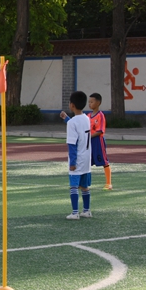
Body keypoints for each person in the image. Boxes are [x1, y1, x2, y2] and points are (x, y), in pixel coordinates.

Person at [61, 91, 93, 219]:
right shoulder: (87, 118)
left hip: (78, 159)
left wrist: (72, 162)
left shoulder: (72, 123)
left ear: (72, 105)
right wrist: (67, 119)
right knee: (85, 186)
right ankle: (86, 210)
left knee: (74, 186)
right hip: (86, 159)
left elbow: (72, 144)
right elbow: (78, 128)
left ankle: (75, 212)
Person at [86, 92, 112, 191]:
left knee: (104, 161)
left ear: (98, 103)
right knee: (86, 162)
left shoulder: (100, 115)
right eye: (89, 102)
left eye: (92, 102)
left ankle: (108, 183)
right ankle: (84, 183)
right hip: (89, 142)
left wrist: (89, 136)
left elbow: (100, 131)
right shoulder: (88, 115)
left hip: (98, 141)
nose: (90, 104)